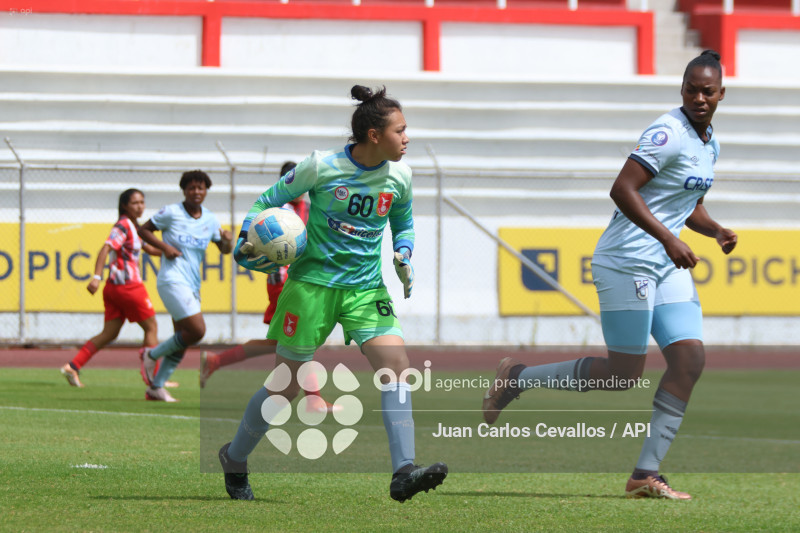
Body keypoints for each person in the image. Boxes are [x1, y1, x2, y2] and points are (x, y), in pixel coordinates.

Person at [482, 50, 737, 501]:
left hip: (664, 264)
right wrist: (668, 239)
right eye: (691, 90)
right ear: (682, 90)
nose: (699, 98)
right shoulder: (667, 133)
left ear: (721, 94)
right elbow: (622, 189)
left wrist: (714, 229)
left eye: (708, 91)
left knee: (689, 361)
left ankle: (645, 474)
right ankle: (517, 376)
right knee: (623, 375)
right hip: (627, 260)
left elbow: (686, 205)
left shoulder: (709, 142)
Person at [217, 85, 447, 502]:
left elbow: (404, 222)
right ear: (374, 135)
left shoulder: (401, 176)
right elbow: (268, 200)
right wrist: (248, 237)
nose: (407, 138)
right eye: (400, 131)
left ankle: (403, 472)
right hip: (312, 287)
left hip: (365, 289)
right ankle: (234, 458)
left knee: (396, 366)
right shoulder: (321, 166)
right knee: (285, 387)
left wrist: (404, 252)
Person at [198, 161, 338, 412]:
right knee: (301, 337)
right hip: (283, 281)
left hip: (304, 280)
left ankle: (215, 361)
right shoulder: (277, 211)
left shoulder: (311, 208)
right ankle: (312, 399)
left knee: (279, 341)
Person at [137, 170, 233, 402]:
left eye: (201, 188)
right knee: (198, 331)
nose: (196, 192)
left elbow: (224, 250)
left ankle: (156, 388)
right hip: (172, 280)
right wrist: (164, 247)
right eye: (192, 188)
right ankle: (151, 354)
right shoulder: (171, 212)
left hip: (192, 284)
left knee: (183, 338)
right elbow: (143, 230)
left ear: (206, 191)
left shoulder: (210, 219)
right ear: (184, 190)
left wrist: (228, 241)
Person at [60, 189, 162, 388]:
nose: (140, 206)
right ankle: (155, 379)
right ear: (124, 206)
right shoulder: (123, 225)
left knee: (109, 333)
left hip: (115, 289)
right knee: (151, 328)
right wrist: (96, 277)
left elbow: (150, 249)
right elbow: (106, 247)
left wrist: (172, 250)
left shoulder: (135, 227)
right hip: (128, 286)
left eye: (142, 202)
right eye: (135, 203)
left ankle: (73, 366)